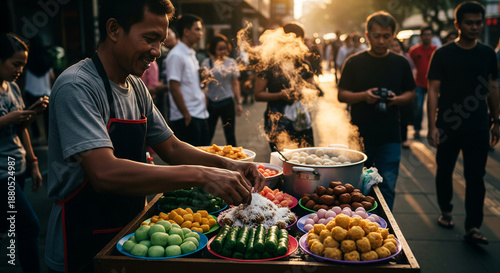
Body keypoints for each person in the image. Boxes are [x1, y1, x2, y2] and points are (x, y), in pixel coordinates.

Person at [44, 1, 265, 272]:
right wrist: (203, 175)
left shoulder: (136, 86)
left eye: (161, 41)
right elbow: (104, 172)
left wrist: (229, 165)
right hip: (80, 237)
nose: (157, 52)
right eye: (150, 39)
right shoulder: (78, 86)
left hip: (131, 232)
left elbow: (171, 147)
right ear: (114, 29)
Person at [427, 1, 499, 245]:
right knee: (445, 171)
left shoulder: (488, 54)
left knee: (476, 177)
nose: (475, 27)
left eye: (478, 22)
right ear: (458, 24)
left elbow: (492, 88)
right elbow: (433, 90)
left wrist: (496, 120)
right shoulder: (443, 53)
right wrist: (432, 126)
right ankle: (446, 210)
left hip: (478, 125)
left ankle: (473, 227)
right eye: (469, 23)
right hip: (448, 125)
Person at [337, 11, 416, 210]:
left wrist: (396, 99)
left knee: (387, 186)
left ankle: (383, 226)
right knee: (354, 187)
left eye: (386, 36)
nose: (381, 41)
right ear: (367, 34)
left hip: (390, 136)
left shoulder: (401, 63)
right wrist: (364, 95)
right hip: (358, 136)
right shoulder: (354, 62)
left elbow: (411, 93)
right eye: (376, 36)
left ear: (392, 36)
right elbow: (342, 94)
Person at [0, 33, 48, 273]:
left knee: (10, 226)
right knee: (29, 226)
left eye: (23, 65)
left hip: (16, 167)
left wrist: (34, 162)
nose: (20, 69)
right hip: (2, 173)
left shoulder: (13, 89)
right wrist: (8, 118)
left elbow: (21, 129)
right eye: (15, 64)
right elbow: (10, 121)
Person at [254, 22, 316, 151]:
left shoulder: (304, 64)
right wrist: (280, 95)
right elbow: (258, 94)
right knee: (280, 159)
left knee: (305, 157)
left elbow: (313, 90)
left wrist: (301, 92)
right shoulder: (268, 64)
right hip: (276, 119)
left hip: (300, 119)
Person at [165, 14, 210, 146]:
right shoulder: (176, 55)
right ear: (186, 31)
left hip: (200, 113)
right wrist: (186, 114)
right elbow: (173, 86)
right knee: (192, 162)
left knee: (204, 156)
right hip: (188, 116)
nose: (200, 33)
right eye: (197, 29)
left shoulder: (191, 53)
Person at [201, 34, 243, 146]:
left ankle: (235, 159)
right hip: (211, 102)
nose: (223, 51)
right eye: (220, 49)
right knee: (208, 134)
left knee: (230, 135)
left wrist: (239, 102)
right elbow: (203, 84)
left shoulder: (231, 62)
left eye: (225, 48)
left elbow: (235, 83)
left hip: (227, 101)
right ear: (213, 49)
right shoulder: (206, 62)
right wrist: (204, 98)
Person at [23, 35, 55, 141]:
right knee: (48, 118)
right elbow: (52, 77)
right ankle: (48, 137)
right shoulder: (47, 58)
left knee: (31, 115)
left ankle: (36, 136)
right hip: (45, 91)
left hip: (30, 90)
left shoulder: (28, 58)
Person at [408, 25, 437, 140]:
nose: (427, 37)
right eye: (424, 35)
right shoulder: (414, 51)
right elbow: (409, 67)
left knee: (434, 108)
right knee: (418, 107)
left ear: (432, 36)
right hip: (418, 84)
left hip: (433, 85)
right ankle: (417, 129)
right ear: (421, 36)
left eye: (429, 35)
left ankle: (434, 128)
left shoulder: (436, 50)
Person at [390, 38, 416, 149]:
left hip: (403, 92)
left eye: (396, 45)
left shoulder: (406, 58)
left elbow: (414, 71)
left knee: (404, 116)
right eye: (392, 45)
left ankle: (404, 138)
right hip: (390, 92)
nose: (395, 48)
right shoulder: (387, 59)